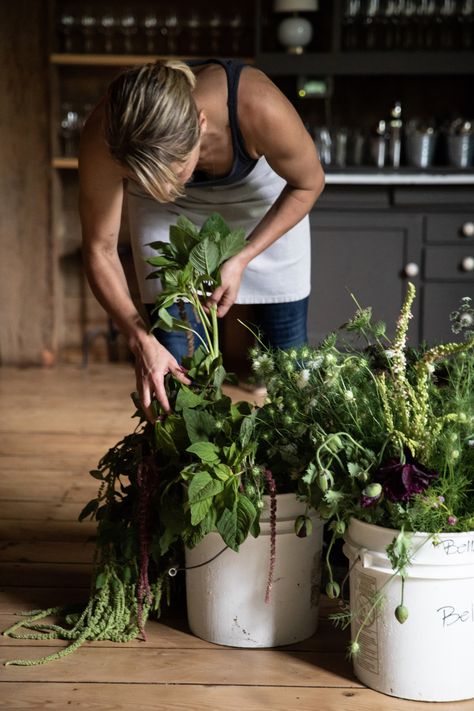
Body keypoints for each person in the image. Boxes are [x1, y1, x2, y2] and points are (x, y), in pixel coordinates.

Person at [79, 58, 325, 420]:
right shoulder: (108, 133)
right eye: (148, 180)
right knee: (174, 370)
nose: (164, 189)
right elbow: (100, 248)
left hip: (260, 204)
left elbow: (309, 183)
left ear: (201, 123)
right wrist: (139, 338)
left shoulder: (259, 106)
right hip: (169, 217)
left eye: (174, 173)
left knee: (291, 364)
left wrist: (242, 256)